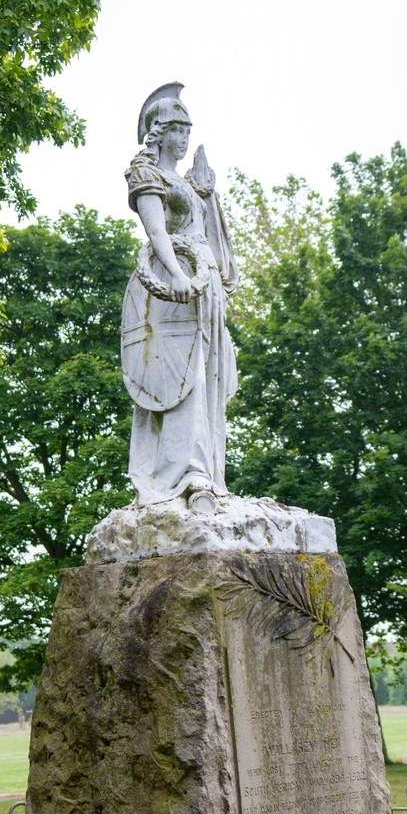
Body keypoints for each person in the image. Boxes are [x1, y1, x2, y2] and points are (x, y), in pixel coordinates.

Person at [122, 83, 239, 514]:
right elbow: (157, 233)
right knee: (181, 380)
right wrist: (176, 276)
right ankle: (185, 473)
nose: (186, 138)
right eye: (178, 129)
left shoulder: (186, 183)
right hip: (173, 294)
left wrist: (206, 195)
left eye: (189, 130)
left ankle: (207, 471)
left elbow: (204, 231)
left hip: (202, 290)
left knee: (205, 380)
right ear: (160, 131)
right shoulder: (148, 174)